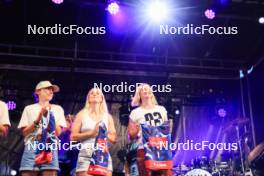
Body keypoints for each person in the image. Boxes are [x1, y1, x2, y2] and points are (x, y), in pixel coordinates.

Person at [18, 81, 67, 176]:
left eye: (52, 90)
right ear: (38, 91)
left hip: (50, 145)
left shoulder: (58, 109)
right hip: (32, 144)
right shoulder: (29, 108)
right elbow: (25, 133)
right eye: (47, 89)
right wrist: (39, 117)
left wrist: (49, 116)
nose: (51, 91)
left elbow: (57, 133)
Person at [128, 84, 172, 176]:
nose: (146, 91)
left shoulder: (162, 109)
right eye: (143, 90)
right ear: (139, 94)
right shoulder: (135, 112)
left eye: (148, 89)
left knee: (166, 174)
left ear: (151, 93)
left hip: (161, 148)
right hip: (144, 149)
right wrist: (136, 129)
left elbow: (166, 130)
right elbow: (131, 135)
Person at [71, 88, 117, 176]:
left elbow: (114, 139)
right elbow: (72, 137)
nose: (95, 94)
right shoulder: (82, 114)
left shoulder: (108, 117)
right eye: (92, 93)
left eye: (97, 93)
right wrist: (91, 133)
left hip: (103, 153)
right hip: (86, 152)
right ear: (88, 98)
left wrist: (103, 133)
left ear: (101, 99)